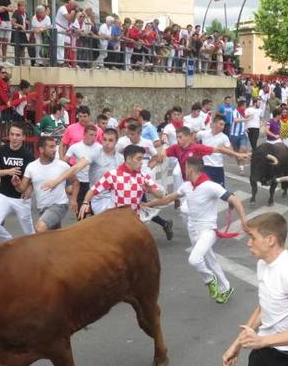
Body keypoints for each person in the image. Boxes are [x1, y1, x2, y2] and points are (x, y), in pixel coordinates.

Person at [144, 157, 248, 303]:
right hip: (192, 229)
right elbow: (168, 199)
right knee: (210, 260)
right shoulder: (187, 186)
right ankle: (226, 287)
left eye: (185, 167)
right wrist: (149, 204)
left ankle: (209, 279)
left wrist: (243, 220)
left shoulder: (210, 186)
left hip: (208, 230)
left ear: (191, 169)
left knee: (194, 259)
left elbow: (234, 199)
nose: (184, 170)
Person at [222, 212, 288, 366]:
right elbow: (264, 307)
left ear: (270, 240)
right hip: (265, 349)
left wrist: (263, 340)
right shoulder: (263, 263)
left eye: (253, 237)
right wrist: (237, 344)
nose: (248, 243)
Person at [79, 144, 171, 237]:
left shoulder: (143, 176)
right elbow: (93, 190)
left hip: (135, 220)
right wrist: (85, 203)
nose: (141, 162)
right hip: (117, 220)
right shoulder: (112, 175)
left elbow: (160, 196)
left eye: (142, 159)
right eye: (139, 159)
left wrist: (151, 190)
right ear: (129, 159)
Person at [44, 128, 124, 216]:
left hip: (114, 197)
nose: (107, 143)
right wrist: (56, 181)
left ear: (116, 141)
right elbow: (76, 168)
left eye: (110, 140)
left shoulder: (120, 159)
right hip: (96, 197)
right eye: (104, 139)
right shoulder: (95, 153)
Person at [15, 136, 78, 232]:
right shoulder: (31, 167)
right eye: (51, 147)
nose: (55, 150)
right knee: (52, 237)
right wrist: (17, 184)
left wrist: (73, 199)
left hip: (59, 205)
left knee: (40, 228)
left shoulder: (62, 165)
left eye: (55, 147)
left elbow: (75, 181)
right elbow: (22, 189)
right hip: (42, 208)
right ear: (41, 149)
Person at [0, 123, 35, 240]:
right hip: (4, 196)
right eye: (12, 134)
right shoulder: (2, 151)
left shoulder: (28, 155)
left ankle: (36, 252)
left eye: (18, 135)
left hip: (21, 199)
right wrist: (7, 171)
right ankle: (10, 242)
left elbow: (35, 176)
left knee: (30, 234)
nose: (14, 138)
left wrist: (30, 188)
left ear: (23, 137)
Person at [63, 125, 100, 210]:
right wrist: (69, 178)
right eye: (91, 135)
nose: (93, 138)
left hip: (94, 182)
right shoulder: (75, 147)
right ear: (84, 134)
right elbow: (64, 163)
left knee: (94, 210)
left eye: (95, 135)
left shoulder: (99, 148)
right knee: (80, 211)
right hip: (79, 182)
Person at [197, 114, 231, 188]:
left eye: (224, 125)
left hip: (218, 167)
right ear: (214, 123)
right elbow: (192, 139)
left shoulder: (225, 138)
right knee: (204, 189)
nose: (223, 127)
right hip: (205, 166)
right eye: (221, 124)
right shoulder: (203, 133)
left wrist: (224, 149)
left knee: (220, 191)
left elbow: (231, 154)